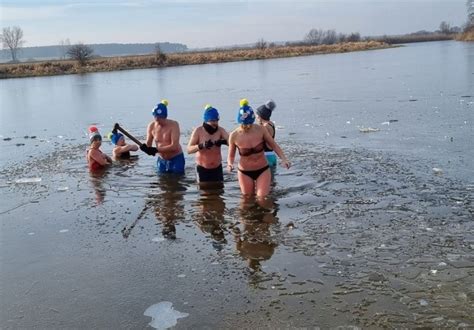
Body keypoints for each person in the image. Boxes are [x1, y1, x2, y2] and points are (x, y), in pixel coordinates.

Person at [227, 99, 290, 198]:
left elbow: (274, 145)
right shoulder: (234, 135)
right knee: (247, 199)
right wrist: (230, 164)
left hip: (262, 169)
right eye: (245, 124)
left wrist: (284, 159)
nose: (248, 126)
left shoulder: (261, 129)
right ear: (240, 122)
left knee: (262, 199)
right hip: (244, 172)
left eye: (249, 123)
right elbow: (231, 156)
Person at [140, 99, 185, 175]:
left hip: (176, 158)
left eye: (159, 119)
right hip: (161, 160)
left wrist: (156, 150)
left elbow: (174, 146)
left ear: (165, 116)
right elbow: (149, 145)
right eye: (155, 118)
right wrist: (145, 149)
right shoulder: (151, 126)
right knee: (162, 183)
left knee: (176, 182)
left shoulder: (174, 125)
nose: (157, 121)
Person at [187, 104, 229, 185]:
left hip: (217, 168)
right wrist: (201, 145)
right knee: (204, 194)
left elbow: (232, 143)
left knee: (219, 194)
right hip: (202, 169)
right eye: (212, 121)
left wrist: (223, 142)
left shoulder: (220, 130)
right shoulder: (198, 131)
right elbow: (189, 150)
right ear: (206, 120)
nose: (215, 123)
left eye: (216, 120)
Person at [256, 100, 277, 168]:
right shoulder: (271, 124)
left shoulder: (264, 127)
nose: (256, 117)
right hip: (272, 155)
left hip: (266, 157)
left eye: (257, 115)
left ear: (260, 116)